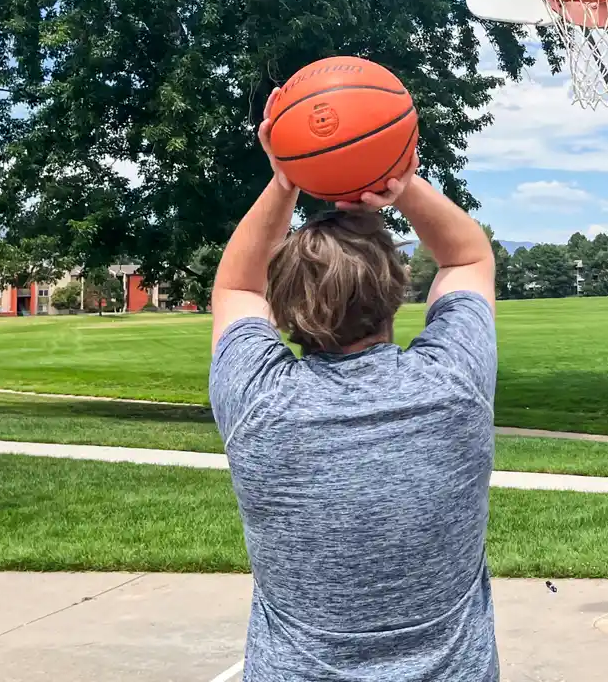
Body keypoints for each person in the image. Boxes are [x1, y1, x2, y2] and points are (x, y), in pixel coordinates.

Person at [209, 87, 499, 682]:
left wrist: (285, 177)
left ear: (284, 304)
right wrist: (401, 182)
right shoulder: (453, 383)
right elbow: (468, 258)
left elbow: (236, 288)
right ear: (397, 291)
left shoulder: (258, 402)